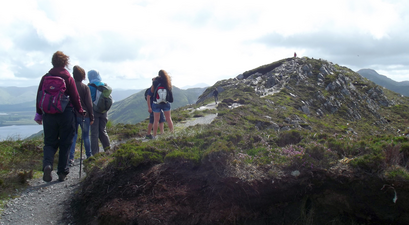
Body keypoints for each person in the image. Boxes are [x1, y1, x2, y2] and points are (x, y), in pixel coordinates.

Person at [34, 51, 83, 182]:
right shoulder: (68, 78)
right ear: (65, 63)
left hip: (49, 115)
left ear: (53, 62)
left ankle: (48, 165)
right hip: (66, 114)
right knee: (66, 143)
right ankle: (62, 172)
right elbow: (75, 97)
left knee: (49, 142)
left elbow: (39, 96)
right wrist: (80, 110)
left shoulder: (46, 77)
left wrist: (39, 113)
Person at [68, 65, 94, 166]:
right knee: (86, 136)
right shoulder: (85, 87)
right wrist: (92, 117)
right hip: (84, 115)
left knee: (73, 136)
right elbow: (89, 104)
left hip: (72, 115)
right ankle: (89, 156)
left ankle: (71, 158)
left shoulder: (70, 86)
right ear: (82, 76)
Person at [87, 70, 111, 155]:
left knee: (94, 134)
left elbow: (88, 101)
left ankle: (95, 154)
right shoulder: (104, 85)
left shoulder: (89, 87)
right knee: (103, 131)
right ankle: (108, 150)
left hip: (94, 111)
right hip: (104, 111)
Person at [150, 69, 174, 138]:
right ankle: (172, 133)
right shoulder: (167, 81)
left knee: (156, 120)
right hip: (166, 103)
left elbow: (152, 91)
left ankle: (154, 136)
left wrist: (153, 82)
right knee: (169, 118)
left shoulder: (156, 81)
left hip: (157, 103)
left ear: (159, 75)